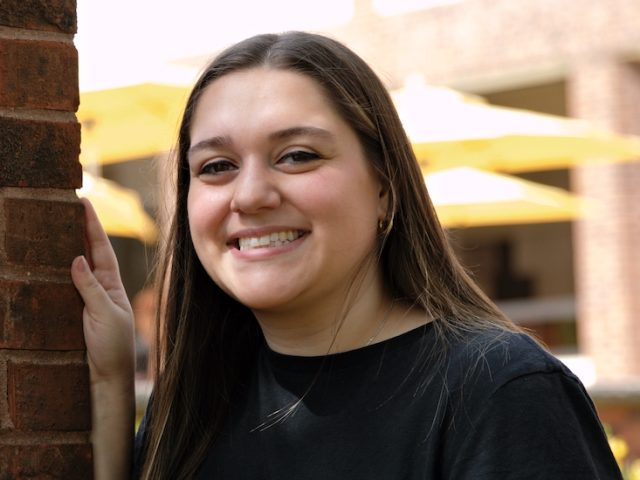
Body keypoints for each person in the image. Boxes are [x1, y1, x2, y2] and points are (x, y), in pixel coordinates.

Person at [71, 31, 622, 480]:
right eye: (216, 166)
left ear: (384, 186)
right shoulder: (196, 403)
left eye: (297, 156)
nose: (250, 194)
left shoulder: (498, 392)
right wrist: (110, 382)